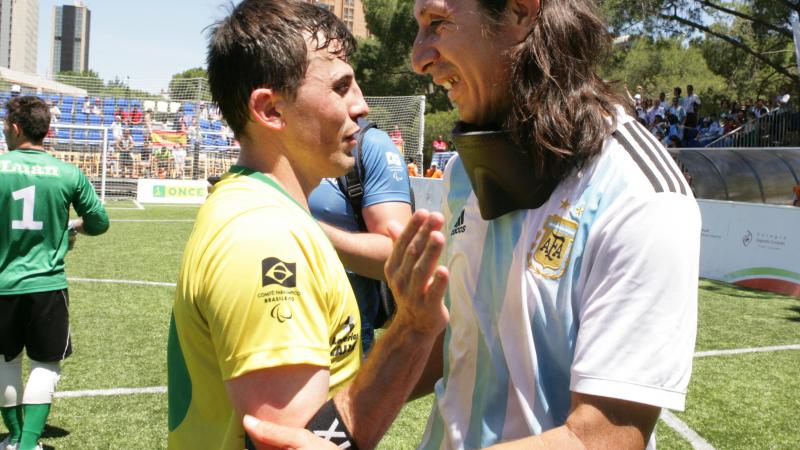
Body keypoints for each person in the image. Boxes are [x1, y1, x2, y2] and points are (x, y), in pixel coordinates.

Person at [247, 0, 701, 449]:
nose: (418, 57)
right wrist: (331, 426)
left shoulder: (641, 195)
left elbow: (604, 437)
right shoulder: (464, 171)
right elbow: (455, 341)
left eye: (438, 23)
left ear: (521, 12)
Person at [167, 2, 448, 449]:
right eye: (341, 87)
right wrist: (412, 331)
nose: (362, 106)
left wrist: (414, 331)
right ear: (270, 110)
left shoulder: (268, 213)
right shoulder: (267, 236)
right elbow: (294, 441)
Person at [0, 96, 109, 450]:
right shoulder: (68, 172)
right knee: (46, 365)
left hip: (2, 286)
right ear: (46, 130)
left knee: (6, 363)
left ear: (15, 128)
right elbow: (100, 222)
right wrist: (73, 227)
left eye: (5, 125)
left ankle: (14, 438)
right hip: (47, 285)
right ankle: (30, 445)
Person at [308, 118, 413, 353]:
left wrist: (306, 229)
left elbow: (398, 258)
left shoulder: (371, 144)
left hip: (344, 341)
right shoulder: (268, 141)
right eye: (341, 87)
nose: (360, 105)